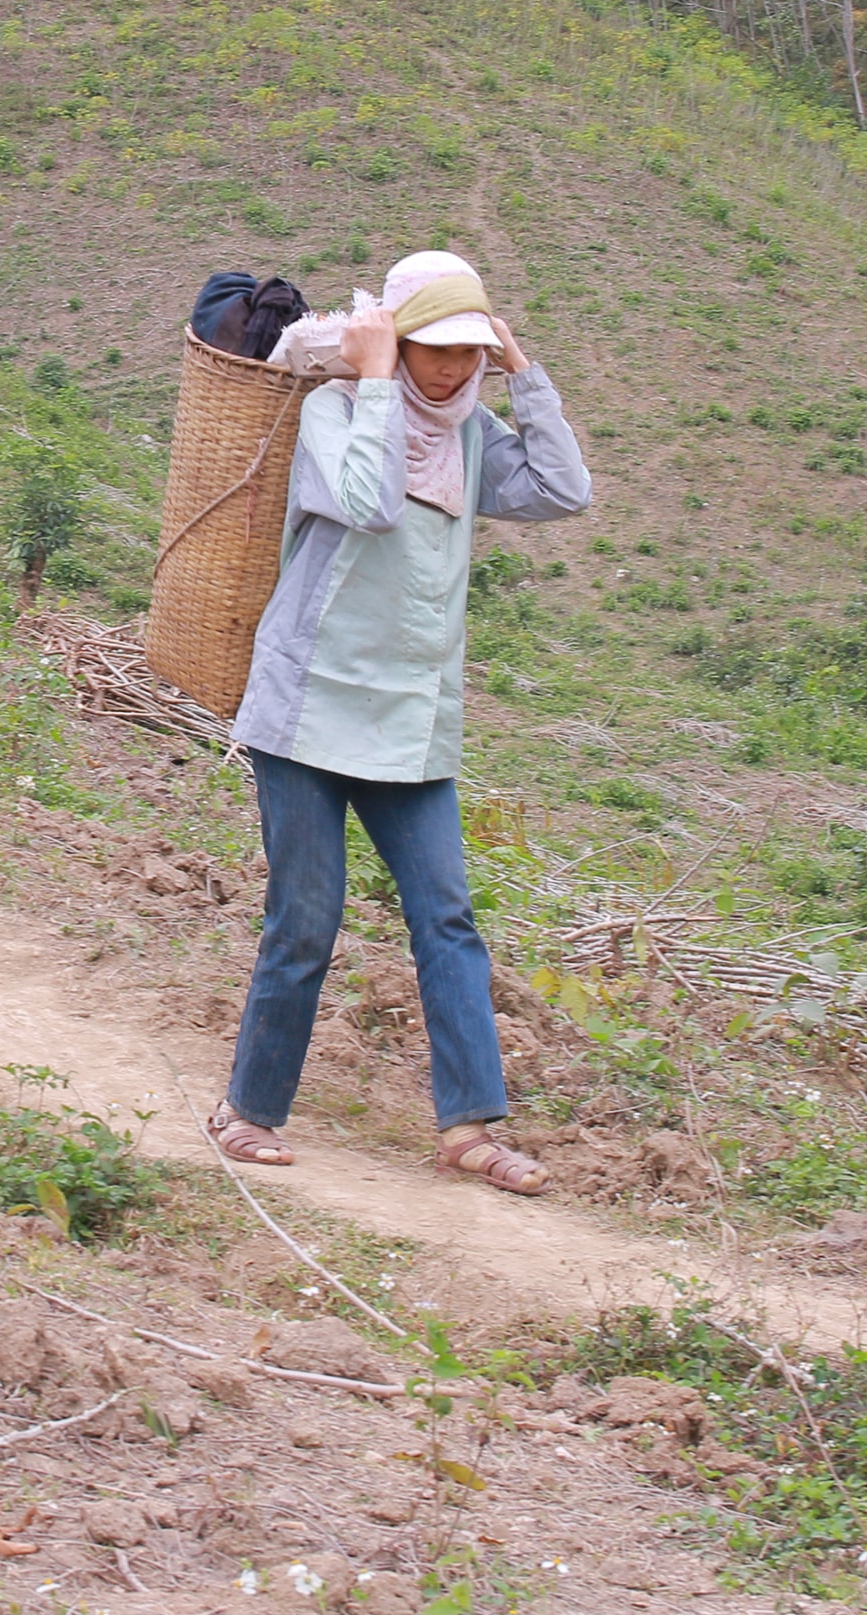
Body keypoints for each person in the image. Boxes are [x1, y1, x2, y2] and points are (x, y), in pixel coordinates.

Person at [205, 253, 591, 1197]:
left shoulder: (472, 433)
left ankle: (470, 1128)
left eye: (471, 354)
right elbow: (370, 505)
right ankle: (245, 1112)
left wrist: (527, 375)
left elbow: (564, 489)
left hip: (410, 723)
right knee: (305, 918)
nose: (454, 372)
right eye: (434, 349)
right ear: (397, 339)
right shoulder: (335, 412)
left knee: (447, 920)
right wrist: (375, 381)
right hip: (307, 708)